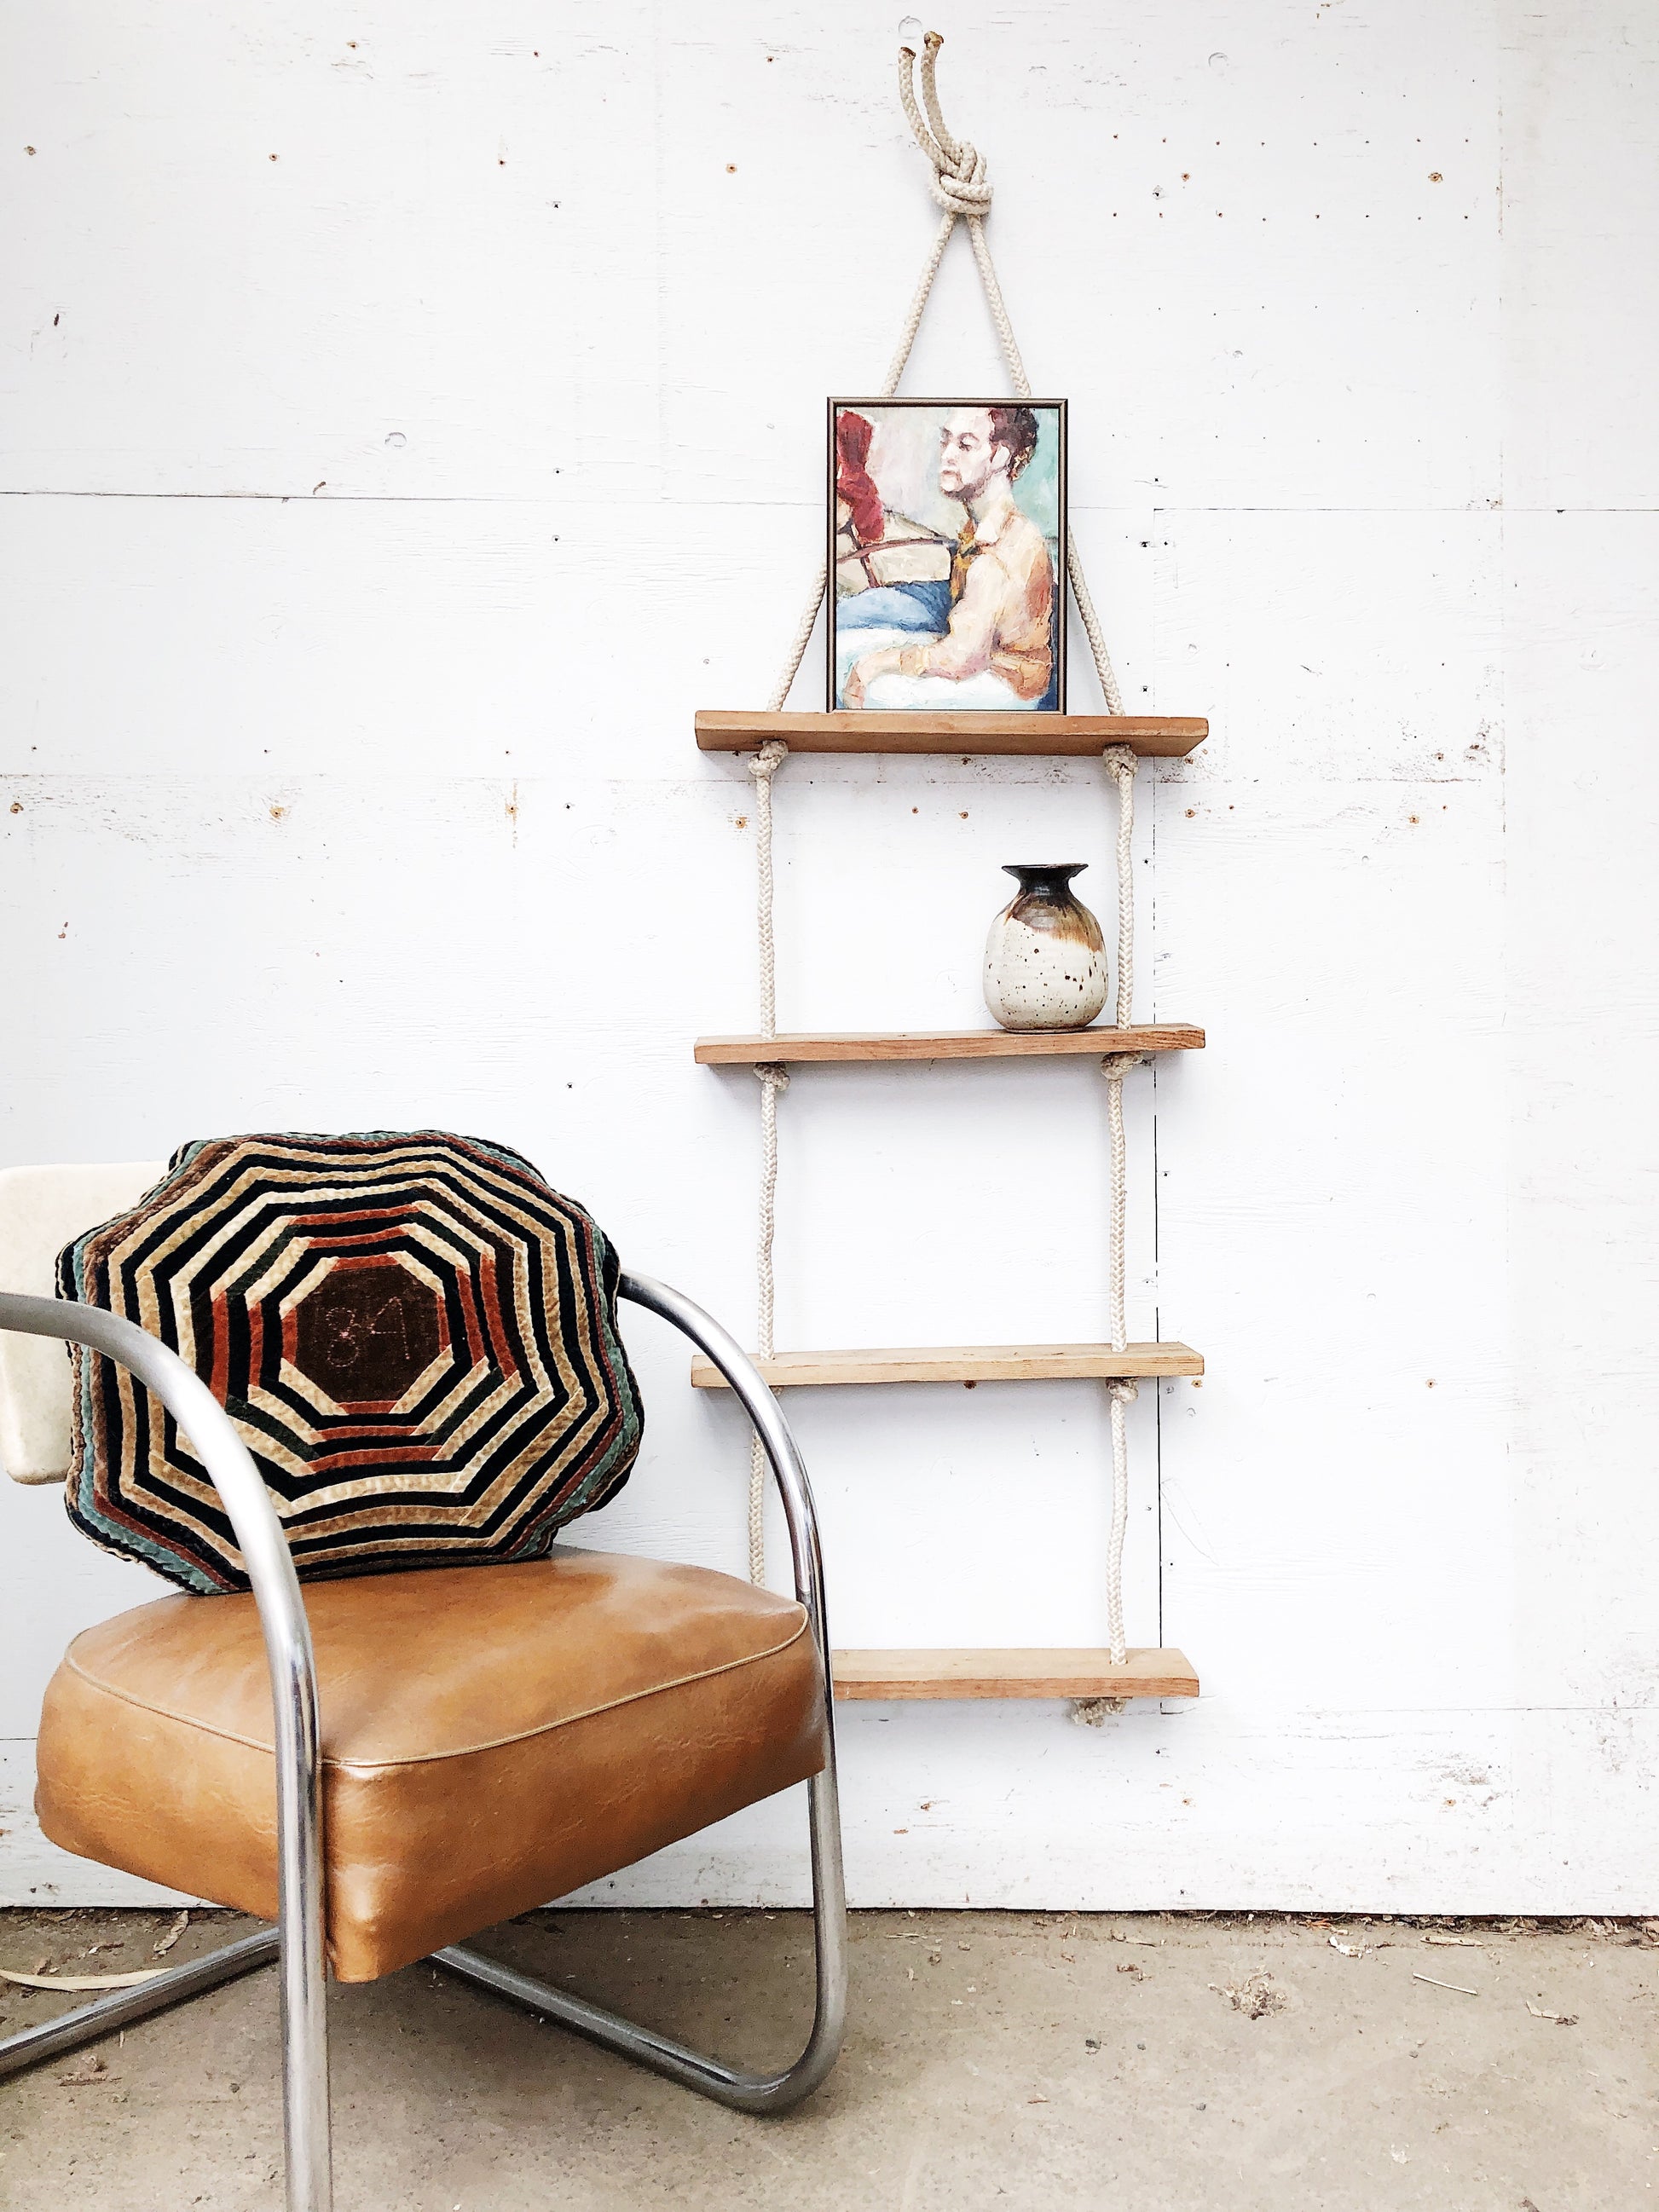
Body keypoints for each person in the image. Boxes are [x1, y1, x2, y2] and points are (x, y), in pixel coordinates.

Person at [841, 405, 1054, 711]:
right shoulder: (986, 528)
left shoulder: (996, 557)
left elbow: (961, 659)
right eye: (946, 441)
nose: (947, 455)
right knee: (844, 647)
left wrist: (877, 663)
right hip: (980, 657)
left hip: (1009, 683)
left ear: (1000, 457)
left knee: (873, 689)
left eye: (965, 445)